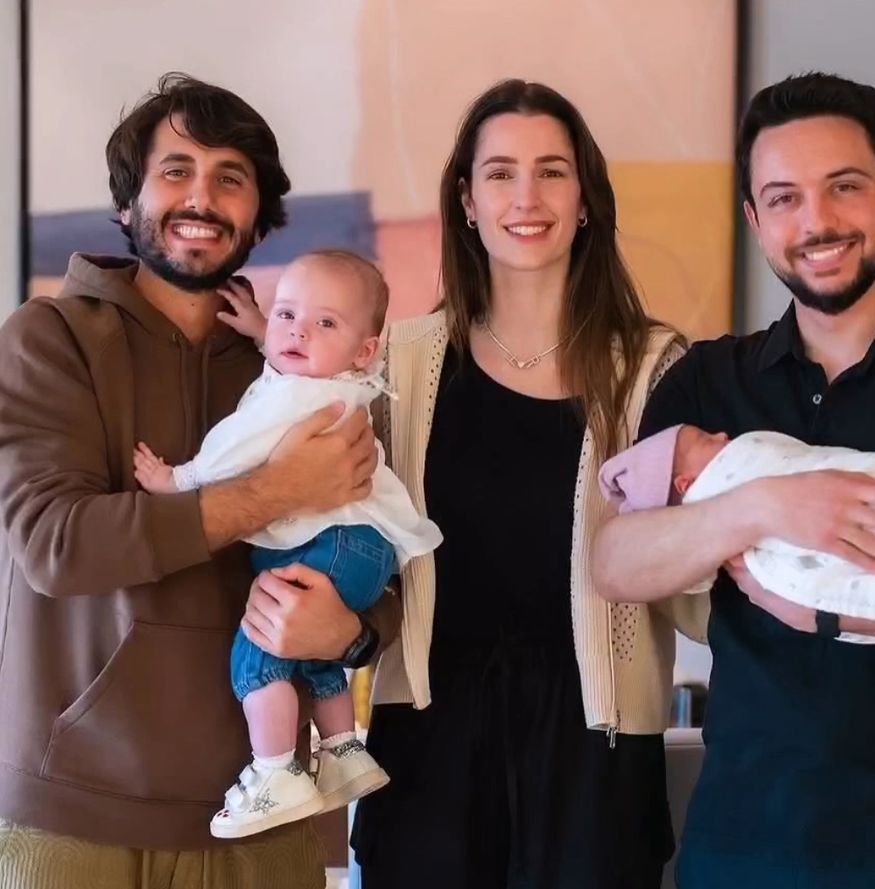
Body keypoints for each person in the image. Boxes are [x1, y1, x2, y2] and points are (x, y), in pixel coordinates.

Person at [253, 79, 709, 888]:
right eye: (499, 172)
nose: (525, 196)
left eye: (551, 171)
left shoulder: (654, 366)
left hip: (595, 753)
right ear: (466, 200)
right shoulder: (400, 361)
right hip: (428, 744)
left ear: (586, 198)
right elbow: (347, 536)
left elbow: (692, 577)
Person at [593, 72, 875, 889]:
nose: (816, 221)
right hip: (740, 850)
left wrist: (828, 610)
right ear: (755, 221)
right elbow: (618, 562)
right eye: (783, 198)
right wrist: (763, 505)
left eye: (845, 187)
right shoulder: (710, 384)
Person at [0, 74, 400, 889]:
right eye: (175, 169)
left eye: (230, 177)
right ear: (129, 201)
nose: (201, 196)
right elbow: (54, 543)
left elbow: (376, 557)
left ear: (258, 215)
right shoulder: (52, 338)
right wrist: (273, 491)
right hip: (74, 815)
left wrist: (350, 636)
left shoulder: (306, 366)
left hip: (267, 816)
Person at [133, 249, 442, 838]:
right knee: (313, 650)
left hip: (328, 542)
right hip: (361, 550)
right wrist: (261, 330)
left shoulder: (294, 399)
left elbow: (239, 443)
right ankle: (345, 753)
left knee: (261, 648)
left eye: (324, 322)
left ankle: (274, 772)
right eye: (285, 313)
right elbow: (290, 354)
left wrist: (180, 480)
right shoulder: (342, 381)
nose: (297, 330)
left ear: (364, 350)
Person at [599, 424, 875, 637]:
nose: (721, 434)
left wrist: (825, 617)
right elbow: (610, 567)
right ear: (684, 485)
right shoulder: (703, 373)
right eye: (704, 440)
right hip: (750, 763)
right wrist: (761, 506)